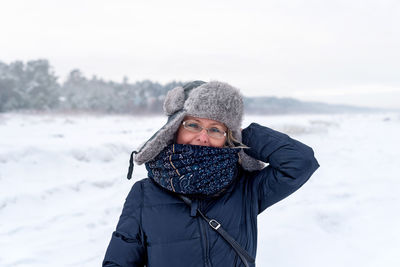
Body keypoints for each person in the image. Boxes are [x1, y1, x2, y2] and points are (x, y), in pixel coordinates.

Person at [103, 80, 319, 267]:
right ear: (174, 130)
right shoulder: (144, 193)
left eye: (215, 129)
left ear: (228, 138)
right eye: (193, 125)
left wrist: (242, 133)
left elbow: (300, 162)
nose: (203, 137)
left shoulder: (245, 188)